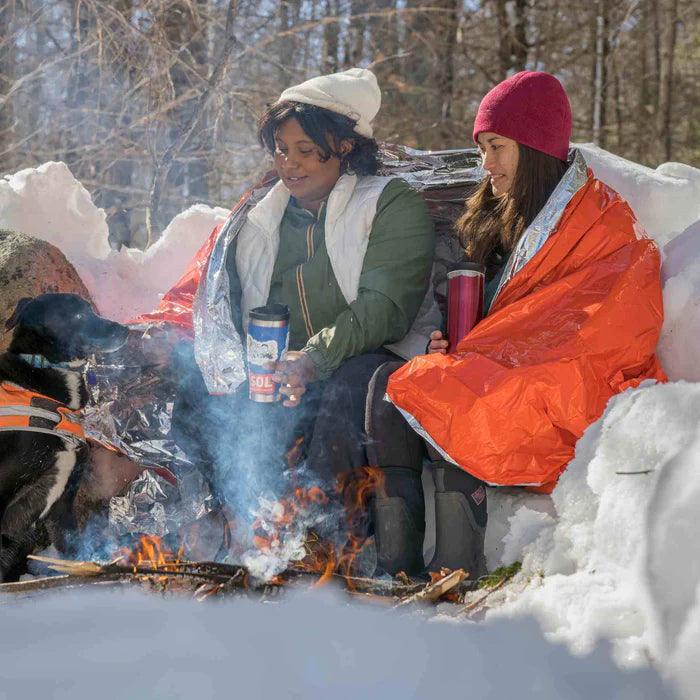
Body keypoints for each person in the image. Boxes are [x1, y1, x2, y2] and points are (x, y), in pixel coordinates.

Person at [363, 71, 666, 577]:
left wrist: (490, 352)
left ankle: (456, 563)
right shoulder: (497, 214)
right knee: (387, 386)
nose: (486, 164)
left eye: (497, 147)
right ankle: (397, 564)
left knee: (453, 391)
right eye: (482, 148)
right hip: (505, 364)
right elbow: (506, 314)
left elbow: (609, 319)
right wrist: (458, 341)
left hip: (571, 381)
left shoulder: (600, 221)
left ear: (536, 144)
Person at [169, 68, 436, 547]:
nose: (288, 164)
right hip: (287, 372)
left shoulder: (389, 205)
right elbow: (222, 311)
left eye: (306, 151)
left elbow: (386, 307)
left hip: (369, 361)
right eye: (281, 149)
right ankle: (229, 538)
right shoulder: (257, 221)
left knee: (350, 385)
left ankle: (322, 540)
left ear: (346, 146)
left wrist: (313, 359)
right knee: (199, 388)